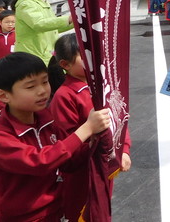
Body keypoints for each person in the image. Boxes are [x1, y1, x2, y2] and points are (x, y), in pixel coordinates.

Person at [0, 52, 111, 221]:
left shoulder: (46, 120)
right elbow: (40, 162)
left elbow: (67, 162)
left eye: (44, 81)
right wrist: (86, 129)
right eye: (30, 87)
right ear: (3, 96)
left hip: (54, 211)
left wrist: (95, 144)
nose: (42, 91)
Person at [48, 34, 132, 222]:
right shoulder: (64, 96)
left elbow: (119, 119)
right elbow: (67, 146)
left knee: (101, 209)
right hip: (82, 174)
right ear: (65, 65)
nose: (93, 61)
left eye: (94, 55)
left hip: (104, 166)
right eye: (85, 57)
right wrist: (96, 144)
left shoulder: (103, 86)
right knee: (83, 212)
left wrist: (123, 150)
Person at [10, 0, 73, 65]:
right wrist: (67, 19)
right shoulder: (26, 3)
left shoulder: (42, 1)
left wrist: (74, 23)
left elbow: (52, 28)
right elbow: (39, 24)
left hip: (46, 54)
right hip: (33, 54)